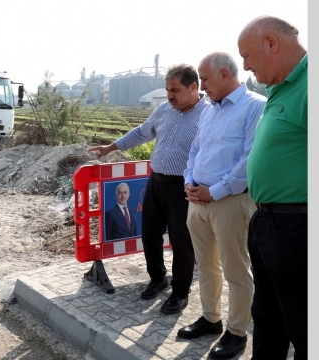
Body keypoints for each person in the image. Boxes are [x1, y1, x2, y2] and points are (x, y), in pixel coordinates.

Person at [88, 64, 208, 314]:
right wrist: (110, 148)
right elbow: (142, 132)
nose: (169, 95)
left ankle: (180, 292)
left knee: (181, 242)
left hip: (184, 187)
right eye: (167, 90)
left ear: (193, 87)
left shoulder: (208, 114)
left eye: (175, 90)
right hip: (156, 182)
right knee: (149, 234)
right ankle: (158, 278)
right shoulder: (165, 110)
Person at [178, 52, 266, 359]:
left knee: (236, 270)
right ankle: (211, 319)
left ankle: (237, 333)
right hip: (197, 200)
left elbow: (249, 161)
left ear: (225, 75)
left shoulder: (255, 107)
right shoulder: (209, 110)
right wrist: (189, 181)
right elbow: (195, 151)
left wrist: (213, 192)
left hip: (230, 202)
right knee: (205, 266)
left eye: (205, 78)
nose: (201, 86)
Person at [238, 16, 307, 360]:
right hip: (267, 222)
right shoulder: (279, 87)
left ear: (270, 43)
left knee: (305, 325)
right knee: (266, 318)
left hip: (297, 227)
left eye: (247, 56)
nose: (246, 66)